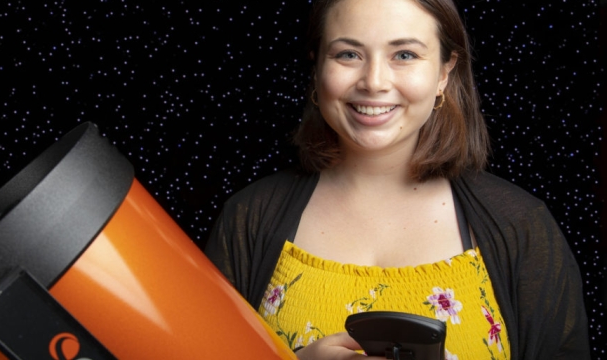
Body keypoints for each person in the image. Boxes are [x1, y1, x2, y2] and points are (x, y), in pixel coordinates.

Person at [203, 0, 590, 359]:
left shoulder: (521, 227)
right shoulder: (247, 220)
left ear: (444, 71)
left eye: (404, 55)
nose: (374, 81)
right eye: (348, 54)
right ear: (317, 67)